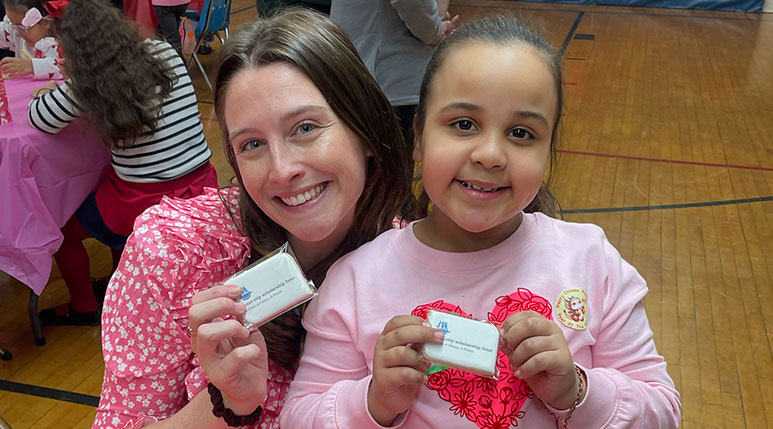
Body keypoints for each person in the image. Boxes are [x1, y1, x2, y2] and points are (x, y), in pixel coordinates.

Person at [280, 15, 682, 428]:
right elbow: (297, 418)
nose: (490, 154)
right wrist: (372, 401)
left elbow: (663, 413)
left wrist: (577, 391)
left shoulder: (591, 262)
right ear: (418, 136)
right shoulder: (354, 282)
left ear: (549, 149)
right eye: (464, 124)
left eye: (521, 133)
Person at [93, 8, 412, 428]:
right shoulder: (175, 251)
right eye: (252, 144)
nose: (282, 170)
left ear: (365, 132)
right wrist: (227, 403)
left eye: (305, 128)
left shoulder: (410, 262)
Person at [28, 0, 216, 326]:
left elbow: (39, 118)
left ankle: (85, 305)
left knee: (62, 230)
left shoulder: (90, 84)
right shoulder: (163, 53)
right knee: (107, 185)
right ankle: (123, 278)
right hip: (202, 184)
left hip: (143, 201)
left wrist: (63, 83)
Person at [330, 0, 457, 144]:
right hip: (389, 84)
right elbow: (416, 9)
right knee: (390, 161)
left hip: (363, 76)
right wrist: (436, 31)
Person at [0, 0, 62, 79]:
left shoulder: (65, 43)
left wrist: (32, 66)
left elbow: (70, 68)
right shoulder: (16, 33)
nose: (18, 33)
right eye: (14, 26)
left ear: (46, 22)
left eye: (22, 28)